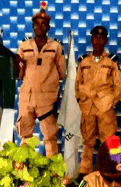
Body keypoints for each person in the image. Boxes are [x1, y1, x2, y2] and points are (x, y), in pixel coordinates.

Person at [14, 2, 66, 157]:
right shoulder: (24, 46)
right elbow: (19, 74)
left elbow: (62, 73)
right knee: (25, 138)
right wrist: (16, 64)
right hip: (27, 98)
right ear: (32, 26)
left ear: (48, 27)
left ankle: (52, 175)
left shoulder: (56, 47)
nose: (40, 27)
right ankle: (24, 174)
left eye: (44, 24)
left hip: (47, 99)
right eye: (36, 24)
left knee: (50, 137)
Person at [75, 26, 121, 183]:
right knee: (87, 141)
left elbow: (119, 86)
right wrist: (81, 100)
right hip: (88, 107)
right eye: (95, 38)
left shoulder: (111, 61)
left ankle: (114, 170)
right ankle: (84, 172)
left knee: (111, 141)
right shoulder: (84, 61)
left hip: (105, 108)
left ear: (106, 40)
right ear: (91, 39)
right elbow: (77, 85)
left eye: (101, 38)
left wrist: (109, 103)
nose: (98, 41)